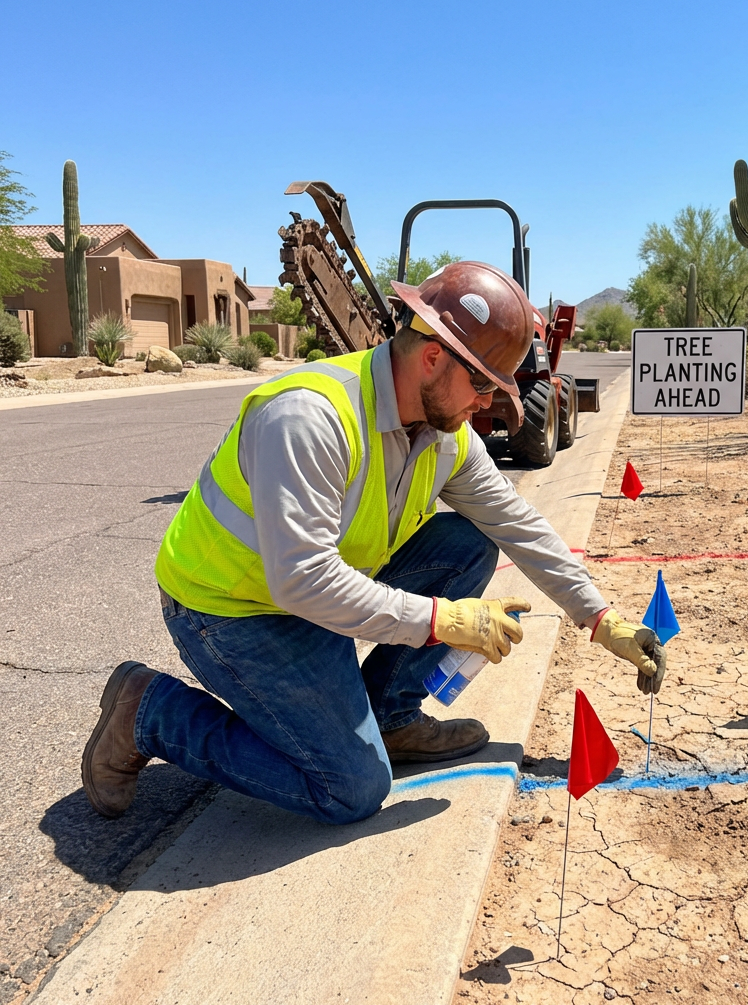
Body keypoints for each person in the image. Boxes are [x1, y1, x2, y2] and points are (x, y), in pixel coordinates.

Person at [81, 261, 667, 825]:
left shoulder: (444, 436)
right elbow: (303, 579)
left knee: (470, 542)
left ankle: (388, 717)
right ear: (434, 357)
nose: (487, 404)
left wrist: (601, 619)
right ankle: (151, 712)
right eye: (483, 385)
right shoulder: (311, 418)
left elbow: (518, 524)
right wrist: (441, 620)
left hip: (307, 600)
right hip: (230, 609)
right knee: (350, 788)